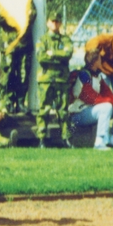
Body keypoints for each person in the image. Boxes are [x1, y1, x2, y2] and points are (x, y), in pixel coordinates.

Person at [68, 49, 113, 150]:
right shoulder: (84, 75)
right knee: (106, 107)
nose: (102, 61)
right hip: (78, 114)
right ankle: (99, 142)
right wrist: (109, 102)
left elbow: (107, 92)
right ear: (95, 62)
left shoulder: (97, 76)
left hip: (89, 111)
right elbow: (90, 97)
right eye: (100, 59)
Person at [34, 11, 74, 148]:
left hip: (61, 79)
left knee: (63, 111)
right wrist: (59, 57)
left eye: (57, 21)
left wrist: (53, 54)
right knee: (44, 110)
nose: (55, 24)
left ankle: (65, 139)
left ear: (60, 23)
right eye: (52, 21)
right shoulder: (42, 40)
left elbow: (68, 53)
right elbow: (41, 57)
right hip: (46, 79)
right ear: (48, 23)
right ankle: (42, 138)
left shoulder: (65, 40)